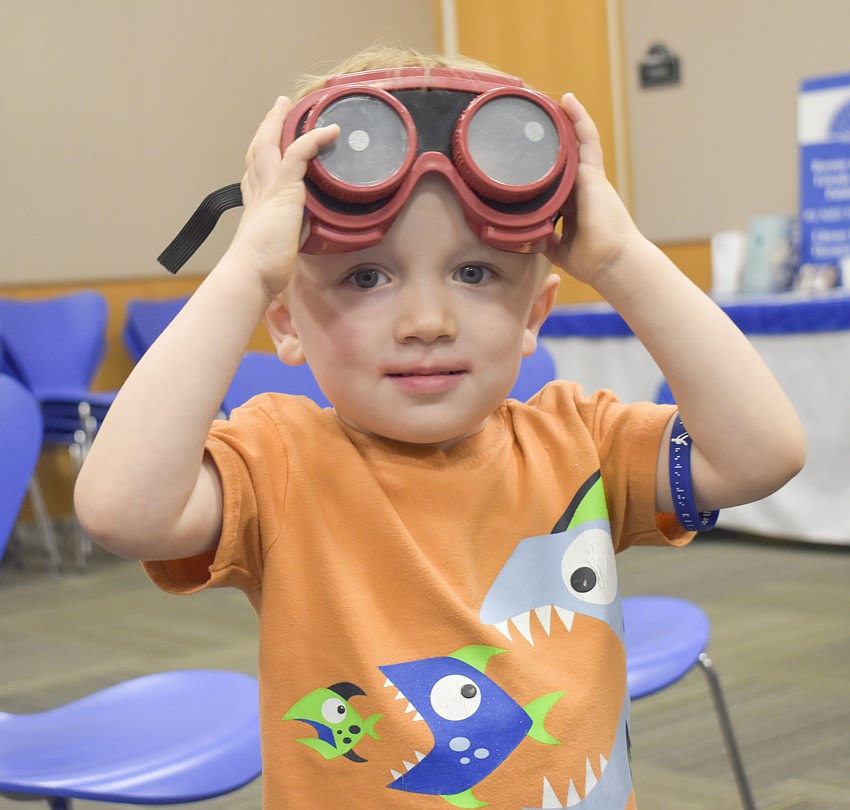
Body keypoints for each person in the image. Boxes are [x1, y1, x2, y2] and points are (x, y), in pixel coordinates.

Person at [74, 46, 804, 809]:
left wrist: (620, 257)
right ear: (285, 326)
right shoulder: (280, 463)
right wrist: (247, 270)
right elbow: (122, 510)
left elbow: (763, 453)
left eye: (475, 272)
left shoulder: (579, 441)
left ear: (535, 315)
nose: (427, 322)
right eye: (366, 276)